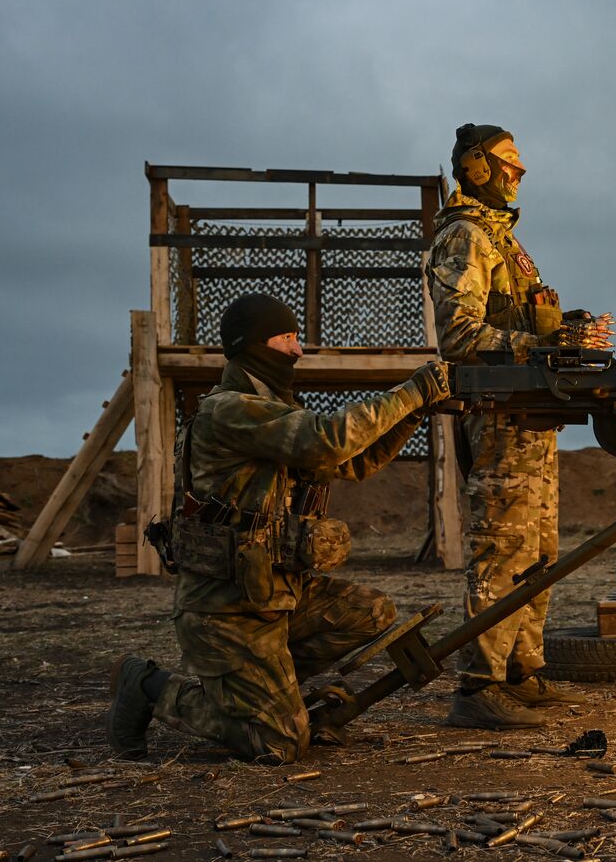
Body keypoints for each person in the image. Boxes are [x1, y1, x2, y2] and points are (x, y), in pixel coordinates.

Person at [107, 293, 454, 763]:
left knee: (371, 612)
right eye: (286, 338)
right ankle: (148, 685)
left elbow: (357, 459)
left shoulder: (273, 409)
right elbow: (325, 441)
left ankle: (268, 690)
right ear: (252, 345)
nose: (297, 351)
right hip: (225, 611)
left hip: (273, 595)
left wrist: (416, 411)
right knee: (280, 743)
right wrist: (413, 391)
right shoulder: (228, 410)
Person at [427, 123, 614, 729]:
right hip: (501, 416)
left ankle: (520, 671)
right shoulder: (466, 239)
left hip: (530, 419)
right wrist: (539, 349)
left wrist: (561, 335)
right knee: (501, 550)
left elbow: (522, 326)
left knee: (539, 551)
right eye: (509, 163)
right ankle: (477, 683)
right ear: (477, 168)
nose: (518, 173)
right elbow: (460, 337)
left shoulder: (504, 242)